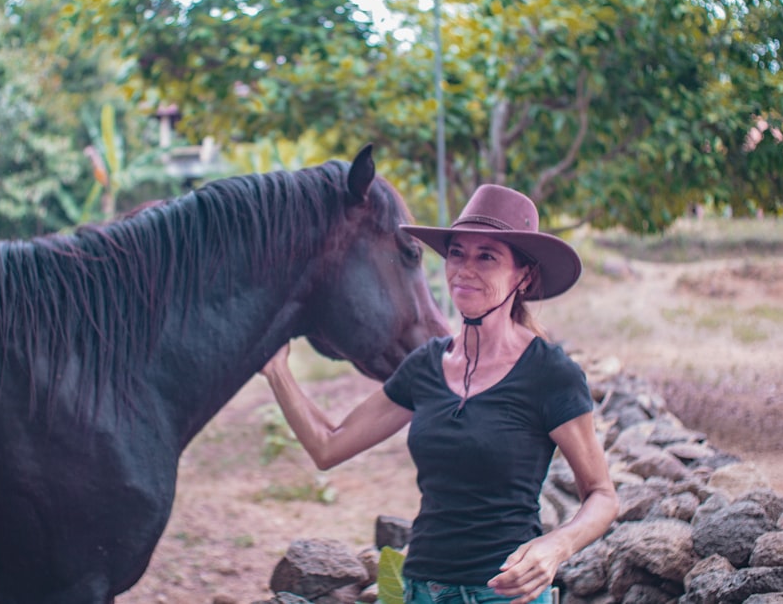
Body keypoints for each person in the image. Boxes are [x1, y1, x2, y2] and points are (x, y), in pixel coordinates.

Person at [259, 184, 619, 604]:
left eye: (487, 256)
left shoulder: (549, 374)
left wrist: (555, 547)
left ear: (524, 276)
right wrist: (277, 372)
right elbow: (328, 447)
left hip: (503, 594)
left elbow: (603, 495)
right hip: (422, 590)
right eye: (457, 253)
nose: (465, 268)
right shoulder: (426, 366)